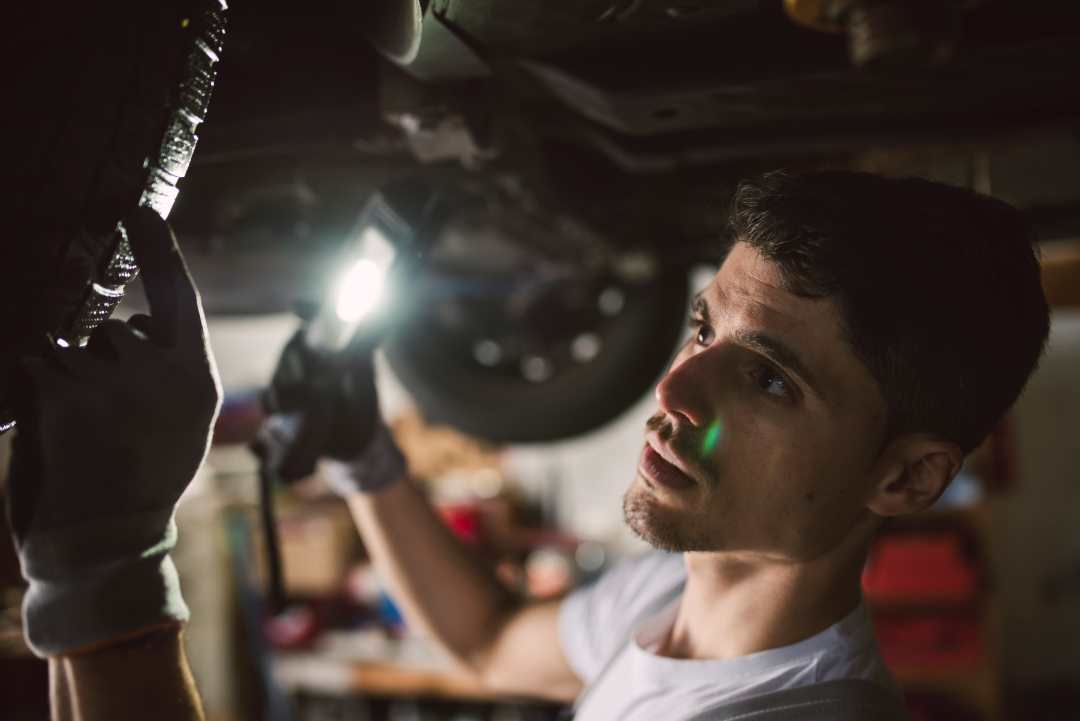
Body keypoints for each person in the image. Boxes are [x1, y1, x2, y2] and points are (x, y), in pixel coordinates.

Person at [5, 171, 1049, 721]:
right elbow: (490, 638)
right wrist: (370, 459)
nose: (678, 389)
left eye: (770, 376)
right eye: (702, 330)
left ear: (907, 475)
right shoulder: (675, 602)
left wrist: (113, 564)